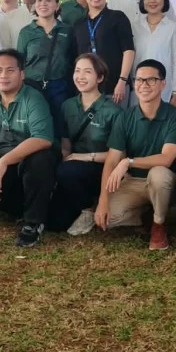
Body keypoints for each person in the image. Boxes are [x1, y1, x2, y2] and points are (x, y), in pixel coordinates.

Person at [0, 50, 59, 247]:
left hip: (30, 162)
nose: (3, 75)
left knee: (40, 160)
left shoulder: (33, 98)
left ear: (22, 74)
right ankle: (28, 210)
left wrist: (5, 160)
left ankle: (33, 223)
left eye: (10, 70)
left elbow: (43, 138)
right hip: (6, 168)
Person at [95, 59, 176, 251]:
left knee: (159, 173)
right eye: (139, 80)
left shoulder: (175, 116)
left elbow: (166, 158)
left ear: (163, 84)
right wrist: (103, 200)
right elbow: (112, 159)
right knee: (108, 218)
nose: (143, 85)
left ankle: (159, 224)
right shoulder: (125, 116)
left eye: (151, 80)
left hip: (164, 182)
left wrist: (128, 162)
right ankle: (145, 214)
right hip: (134, 182)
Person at [50, 54, 124, 236]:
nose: (80, 77)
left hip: (102, 169)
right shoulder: (67, 106)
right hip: (73, 171)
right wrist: (65, 158)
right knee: (53, 222)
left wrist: (82, 158)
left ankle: (89, 208)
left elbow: (119, 155)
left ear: (100, 78)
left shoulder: (113, 110)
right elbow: (66, 143)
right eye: (77, 71)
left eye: (87, 72)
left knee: (68, 170)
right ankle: (78, 202)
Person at [17, 0, 76, 122]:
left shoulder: (67, 30)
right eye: (39, 0)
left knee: (60, 124)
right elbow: (20, 61)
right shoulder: (26, 32)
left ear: (57, 5)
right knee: (34, 122)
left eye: (48, 0)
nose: (43, 4)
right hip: (32, 86)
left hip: (60, 86)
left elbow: (73, 59)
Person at [74, 0, 135, 105]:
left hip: (115, 88)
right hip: (88, 90)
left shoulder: (117, 17)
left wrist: (122, 81)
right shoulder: (78, 24)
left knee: (117, 125)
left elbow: (129, 51)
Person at [131, 0, 176, 107]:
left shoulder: (172, 27)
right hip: (139, 87)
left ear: (164, 0)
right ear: (142, 1)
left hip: (163, 87)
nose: (152, 0)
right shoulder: (134, 26)